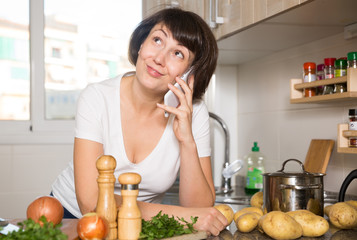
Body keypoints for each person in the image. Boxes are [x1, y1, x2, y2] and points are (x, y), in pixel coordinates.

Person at [51, 7, 228, 236]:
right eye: (157, 40)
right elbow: (92, 203)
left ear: (191, 74)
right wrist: (181, 217)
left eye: (178, 54)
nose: (159, 58)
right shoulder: (96, 98)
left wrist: (187, 141)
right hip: (72, 217)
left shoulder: (193, 113)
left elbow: (199, 207)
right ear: (142, 43)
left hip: (143, 226)